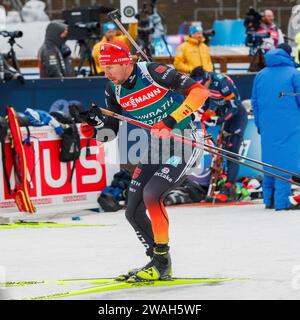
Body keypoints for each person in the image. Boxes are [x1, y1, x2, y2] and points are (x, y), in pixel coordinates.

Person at [86, 40, 209, 281]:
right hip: (157, 146)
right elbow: (111, 130)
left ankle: (161, 263)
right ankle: (159, 262)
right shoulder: (113, 89)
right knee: (132, 210)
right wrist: (95, 127)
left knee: (152, 195)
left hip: (184, 140)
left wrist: (171, 121)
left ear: (125, 63)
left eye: (111, 66)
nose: (107, 72)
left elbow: (200, 92)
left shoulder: (152, 72)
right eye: (104, 67)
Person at [251, 43, 300, 211]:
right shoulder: (294, 74)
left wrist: (259, 125)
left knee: (270, 162)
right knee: (286, 162)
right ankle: (283, 202)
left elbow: (255, 103)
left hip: (267, 126)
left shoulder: (260, 75)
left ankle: (269, 200)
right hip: (291, 125)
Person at [190, 67, 248, 202]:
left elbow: (234, 107)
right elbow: (208, 102)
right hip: (222, 114)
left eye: (202, 82)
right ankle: (220, 184)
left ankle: (229, 188)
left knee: (232, 153)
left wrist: (219, 119)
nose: (200, 86)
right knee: (221, 153)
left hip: (236, 116)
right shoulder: (201, 84)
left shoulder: (222, 82)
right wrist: (205, 112)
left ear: (208, 78)